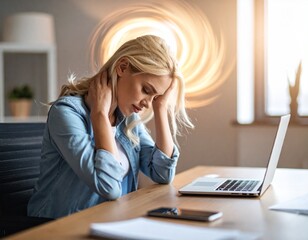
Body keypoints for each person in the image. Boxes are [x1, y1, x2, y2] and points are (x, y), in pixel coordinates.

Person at [27, 35, 194, 219]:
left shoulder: (128, 119)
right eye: (146, 90)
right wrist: (99, 115)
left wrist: (160, 107)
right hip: (57, 227)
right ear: (122, 67)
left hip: (110, 221)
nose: (147, 103)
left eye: (155, 96)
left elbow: (163, 173)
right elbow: (109, 187)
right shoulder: (66, 113)